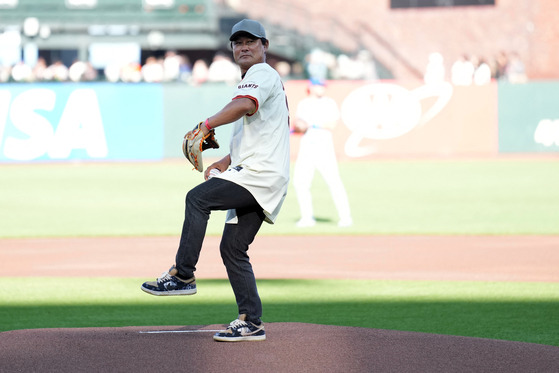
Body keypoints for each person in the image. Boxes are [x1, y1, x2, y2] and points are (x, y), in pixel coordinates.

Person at [140, 19, 290, 342]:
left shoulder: (261, 74)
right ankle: (251, 321)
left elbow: (244, 106)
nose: (244, 47)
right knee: (233, 248)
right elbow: (253, 132)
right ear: (232, 49)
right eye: (238, 43)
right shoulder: (255, 82)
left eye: (251, 41)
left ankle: (182, 275)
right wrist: (223, 160)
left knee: (198, 199)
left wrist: (206, 124)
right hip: (261, 175)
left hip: (258, 176)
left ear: (265, 46)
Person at [292, 79, 352, 228]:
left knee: (334, 182)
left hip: (323, 146)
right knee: (300, 182)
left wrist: (311, 124)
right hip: (307, 146)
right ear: (311, 87)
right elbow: (298, 124)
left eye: (323, 86)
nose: (322, 89)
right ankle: (307, 218)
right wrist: (300, 126)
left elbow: (331, 124)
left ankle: (346, 217)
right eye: (319, 86)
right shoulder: (304, 104)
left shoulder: (329, 103)